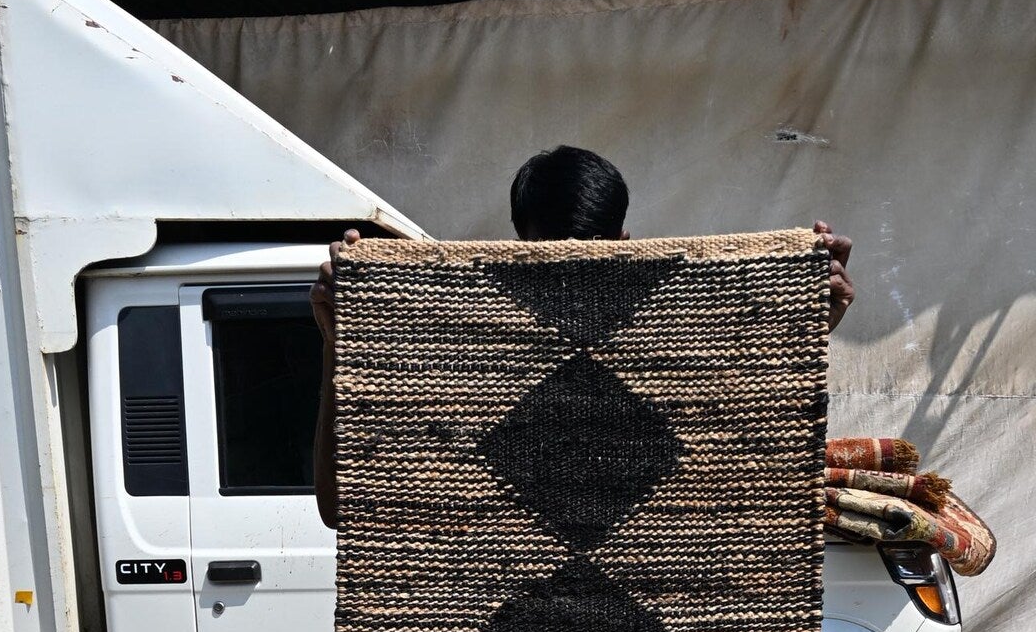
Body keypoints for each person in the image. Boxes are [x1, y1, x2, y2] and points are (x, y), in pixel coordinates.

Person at [309, 146, 854, 526]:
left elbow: (751, 480)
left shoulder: (676, 356)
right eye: (552, 264)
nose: (574, 285)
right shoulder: (467, 364)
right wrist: (342, 342)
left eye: (593, 262)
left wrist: (804, 332)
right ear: (518, 250)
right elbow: (346, 506)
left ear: (625, 243)